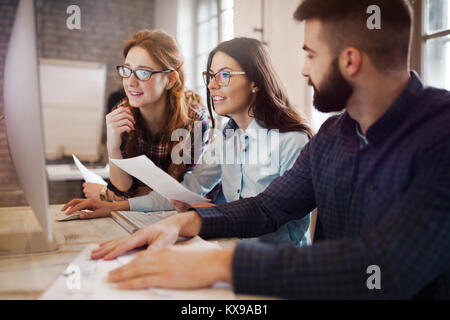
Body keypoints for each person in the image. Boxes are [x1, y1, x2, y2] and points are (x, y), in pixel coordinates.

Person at [72, 0, 450, 299]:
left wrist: (227, 263)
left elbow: (388, 266)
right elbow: (270, 206)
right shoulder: (335, 134)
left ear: (350, 60)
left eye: (310, 54)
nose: (302, 70)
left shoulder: (441, 135)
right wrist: (185, 221)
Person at [63, 37, 314, 247]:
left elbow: (268, 213)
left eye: (224, 75)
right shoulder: (228, 137)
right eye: (211, 75)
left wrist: (195, 219)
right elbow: (185, 191)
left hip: (280, 268)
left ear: (256, 82)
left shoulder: (292, 142)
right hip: (231, 254)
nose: (212, 85)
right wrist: (116, 206)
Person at [80, 30, 211, 202]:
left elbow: (179, 196)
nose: (130, 82)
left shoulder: (195, 121)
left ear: (170, 79)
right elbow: (123, 189)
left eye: (143, 73)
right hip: (139, 215)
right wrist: (113, 147)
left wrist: (107, 193)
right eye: (127, 70)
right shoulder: (121, 112)